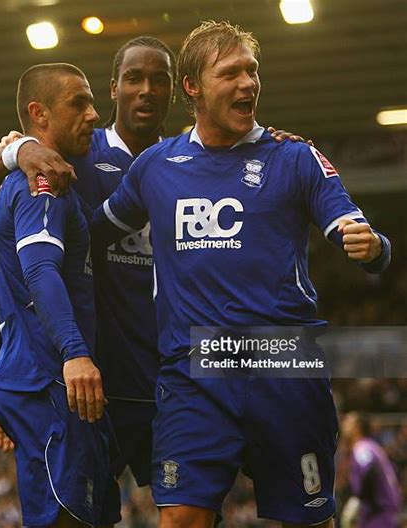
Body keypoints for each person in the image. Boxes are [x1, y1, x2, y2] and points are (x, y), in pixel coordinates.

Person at [0, 35, 306, 497]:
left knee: (193, 510)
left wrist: (272, 144)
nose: (146, 90)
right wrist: (21, 150)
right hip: (93, 384)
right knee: (89, 513)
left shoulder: (188, 162)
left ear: (181, 90)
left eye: (159, 80)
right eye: (134, 79)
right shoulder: (77, 151)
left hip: (174, 380)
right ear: (113, 89)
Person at [88, 21, 392, 528]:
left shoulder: (295, 157)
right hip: (194, 369)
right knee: (180, 517)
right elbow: (93, 233)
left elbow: (355, 228)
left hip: (283, 362)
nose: (248, 83)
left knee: (307, 520)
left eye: (252, 71)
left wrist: (373, 246)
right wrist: (21, 156)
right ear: (193, 87)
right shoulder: (156, 167)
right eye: (230, 73)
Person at [0, 62, 120, 527]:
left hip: (23, 379)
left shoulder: (9, 187)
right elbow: (41, 271)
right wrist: (75, 353)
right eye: (79, 103)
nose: (94, 114)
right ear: (39, 113)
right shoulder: (46, 184)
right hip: (54, 380)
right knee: (72, 518)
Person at [340, 412, 402, 528]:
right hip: (383, 514)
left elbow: (371, 469)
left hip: (378, 515)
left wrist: (358, 499)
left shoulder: (362, 447)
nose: (344, 424)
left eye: (349, 421)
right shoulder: (372, 446)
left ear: (357, 428)